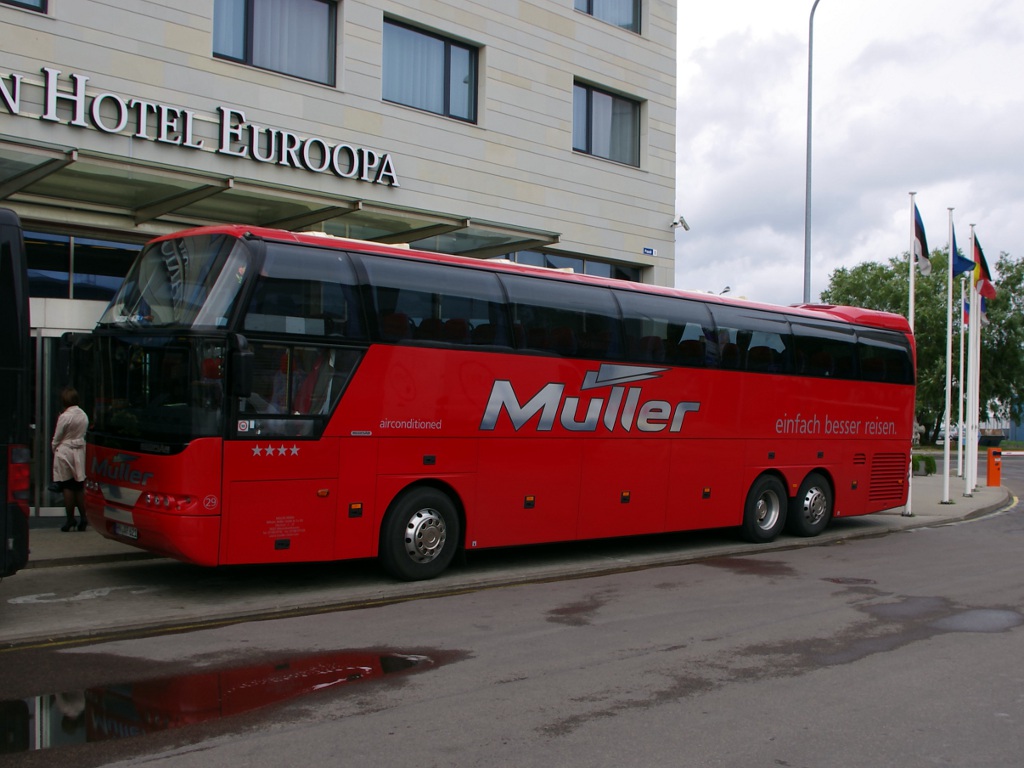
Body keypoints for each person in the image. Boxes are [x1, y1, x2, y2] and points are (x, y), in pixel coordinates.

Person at [52, 386, 89, 532]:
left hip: (66, 451)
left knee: (67, 485)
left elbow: (57, 437)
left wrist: (54, 448)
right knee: (78, 486)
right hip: (79, 451)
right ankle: (84, 518)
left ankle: (70, 519)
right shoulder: (83, 415)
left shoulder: (65, 416)